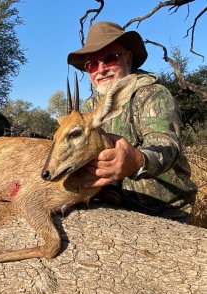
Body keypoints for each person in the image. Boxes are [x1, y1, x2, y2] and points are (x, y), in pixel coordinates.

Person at [67, 21, 197, 224]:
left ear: (128, 59)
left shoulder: (153, 95)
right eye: (92, 64)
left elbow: (167, 145)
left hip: (163, 208)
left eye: (110, 59)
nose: (101, 70)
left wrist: (136, 161)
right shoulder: (89, 108)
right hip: (114, 204)